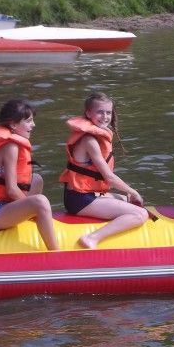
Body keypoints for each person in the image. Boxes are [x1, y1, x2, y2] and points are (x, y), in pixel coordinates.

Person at [60, 92, 149, 249]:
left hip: (85, 195)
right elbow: (109, 177)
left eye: (108, 112)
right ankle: (92, 238)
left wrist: (129, 195)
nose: (105, 116)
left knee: (127, 200)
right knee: (140, 214)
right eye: (100, 112)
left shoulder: (95, 137)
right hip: (79, 200)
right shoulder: (89, 141)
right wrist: (133, 191)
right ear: (88, 113)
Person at [0, 99, 60, 251]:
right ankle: (56, 252)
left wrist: (29, 208)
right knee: (40, 202)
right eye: (29, 121)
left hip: (3, 205)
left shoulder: (10, 142)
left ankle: (37, 216)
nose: (33, 125)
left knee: (36, 180)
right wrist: (33, 207)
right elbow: (12, 190)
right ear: (13, 124)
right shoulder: (10, 146)